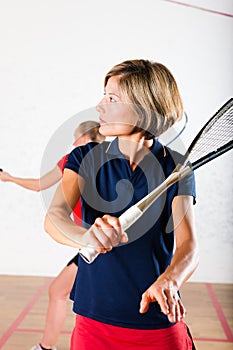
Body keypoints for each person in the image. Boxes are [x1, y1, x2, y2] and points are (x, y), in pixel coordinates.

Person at [44, 59, 199, 350]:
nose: (100, 105)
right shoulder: (84, 158)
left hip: (157, 319)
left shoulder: (177, 167)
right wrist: (85, 235)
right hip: (94, 320)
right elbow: (55, 216)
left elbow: (189, 246)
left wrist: (171, 279)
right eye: (104, 95)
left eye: (112, 98)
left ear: (144, 108)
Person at [0, 121, 105, 350]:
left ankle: (46, 347)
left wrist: (9, 178)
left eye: (76, 138)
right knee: (59, 291)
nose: (74, 142)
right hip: (98, 243)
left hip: (100, 247)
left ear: (85, 139)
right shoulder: (115, 159)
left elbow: (40, 185)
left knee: (61, 292)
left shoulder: (74, 158)